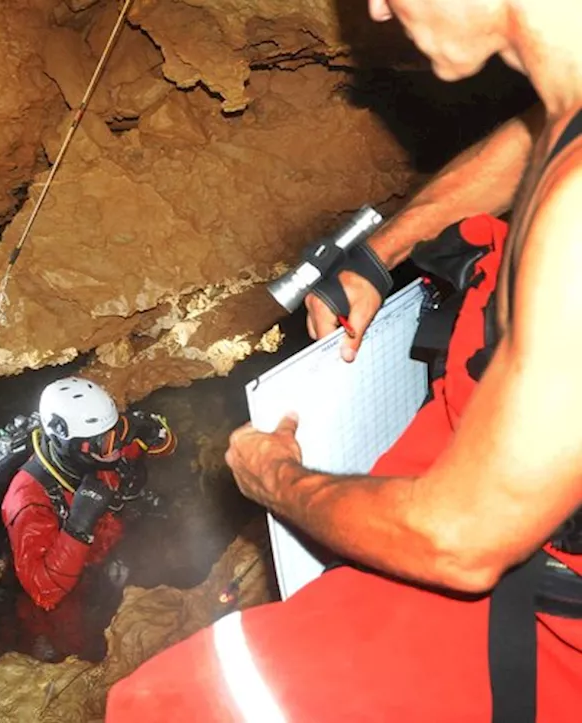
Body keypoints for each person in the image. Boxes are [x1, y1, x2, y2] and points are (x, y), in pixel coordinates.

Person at [107, 1, 582, 720]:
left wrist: (275, 477)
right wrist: (380, 250)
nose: (379, 9)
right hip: (501, 441)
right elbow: (540, 138)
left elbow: (460, 541)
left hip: (538, 587)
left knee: (179, 704)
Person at [0, 377, 175, 612]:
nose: (118, 448)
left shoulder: (103, 450)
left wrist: (150, 430)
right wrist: (78, 525)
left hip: (110, 547)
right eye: (105, 442)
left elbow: (166, 447)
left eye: (118, 432)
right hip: (72, 584)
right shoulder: (28, 501)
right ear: (69, 445)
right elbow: (44, 591)